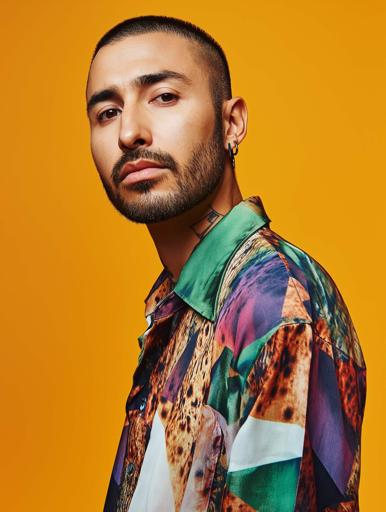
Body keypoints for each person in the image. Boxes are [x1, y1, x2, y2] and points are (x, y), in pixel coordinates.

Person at [85, 15, 366, 512]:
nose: (129, 131)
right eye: (107, 112)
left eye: (163, 97)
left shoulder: (271, 303)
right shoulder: (184, 306)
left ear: (232, 123)